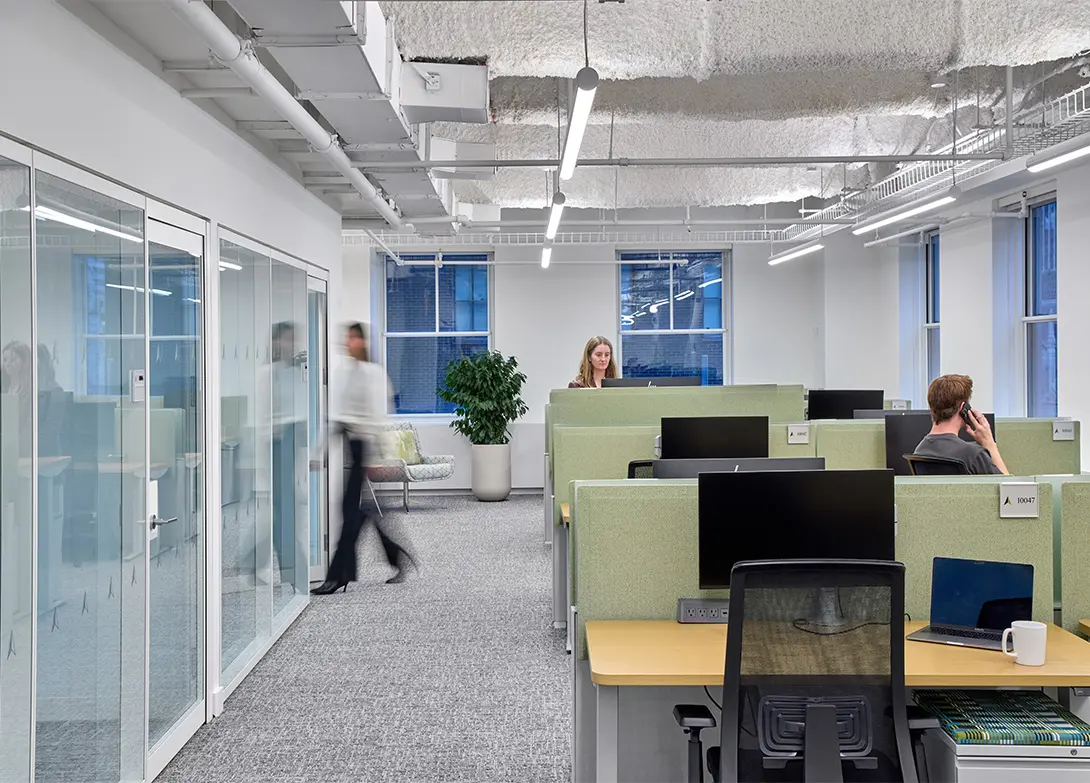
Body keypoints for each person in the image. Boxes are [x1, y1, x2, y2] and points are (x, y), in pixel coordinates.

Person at [313, 323, 415, 594]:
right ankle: (397, 558)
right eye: (346, 338)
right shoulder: (343, 372)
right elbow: (333, 416)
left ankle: (338, 576)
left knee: (350, 514)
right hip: (346, 442)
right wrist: (319, 452)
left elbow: (379, 416)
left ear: (362, 341)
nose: (348, 343)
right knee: (359, 512)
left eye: (353, 338)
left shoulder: (373, 373)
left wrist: (377, 455)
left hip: (363, 447)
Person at [914, 374, 1009, 475]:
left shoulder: (920, 450)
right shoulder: (973, 454)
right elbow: (1008, 489)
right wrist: (990, 444)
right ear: (963, 407)